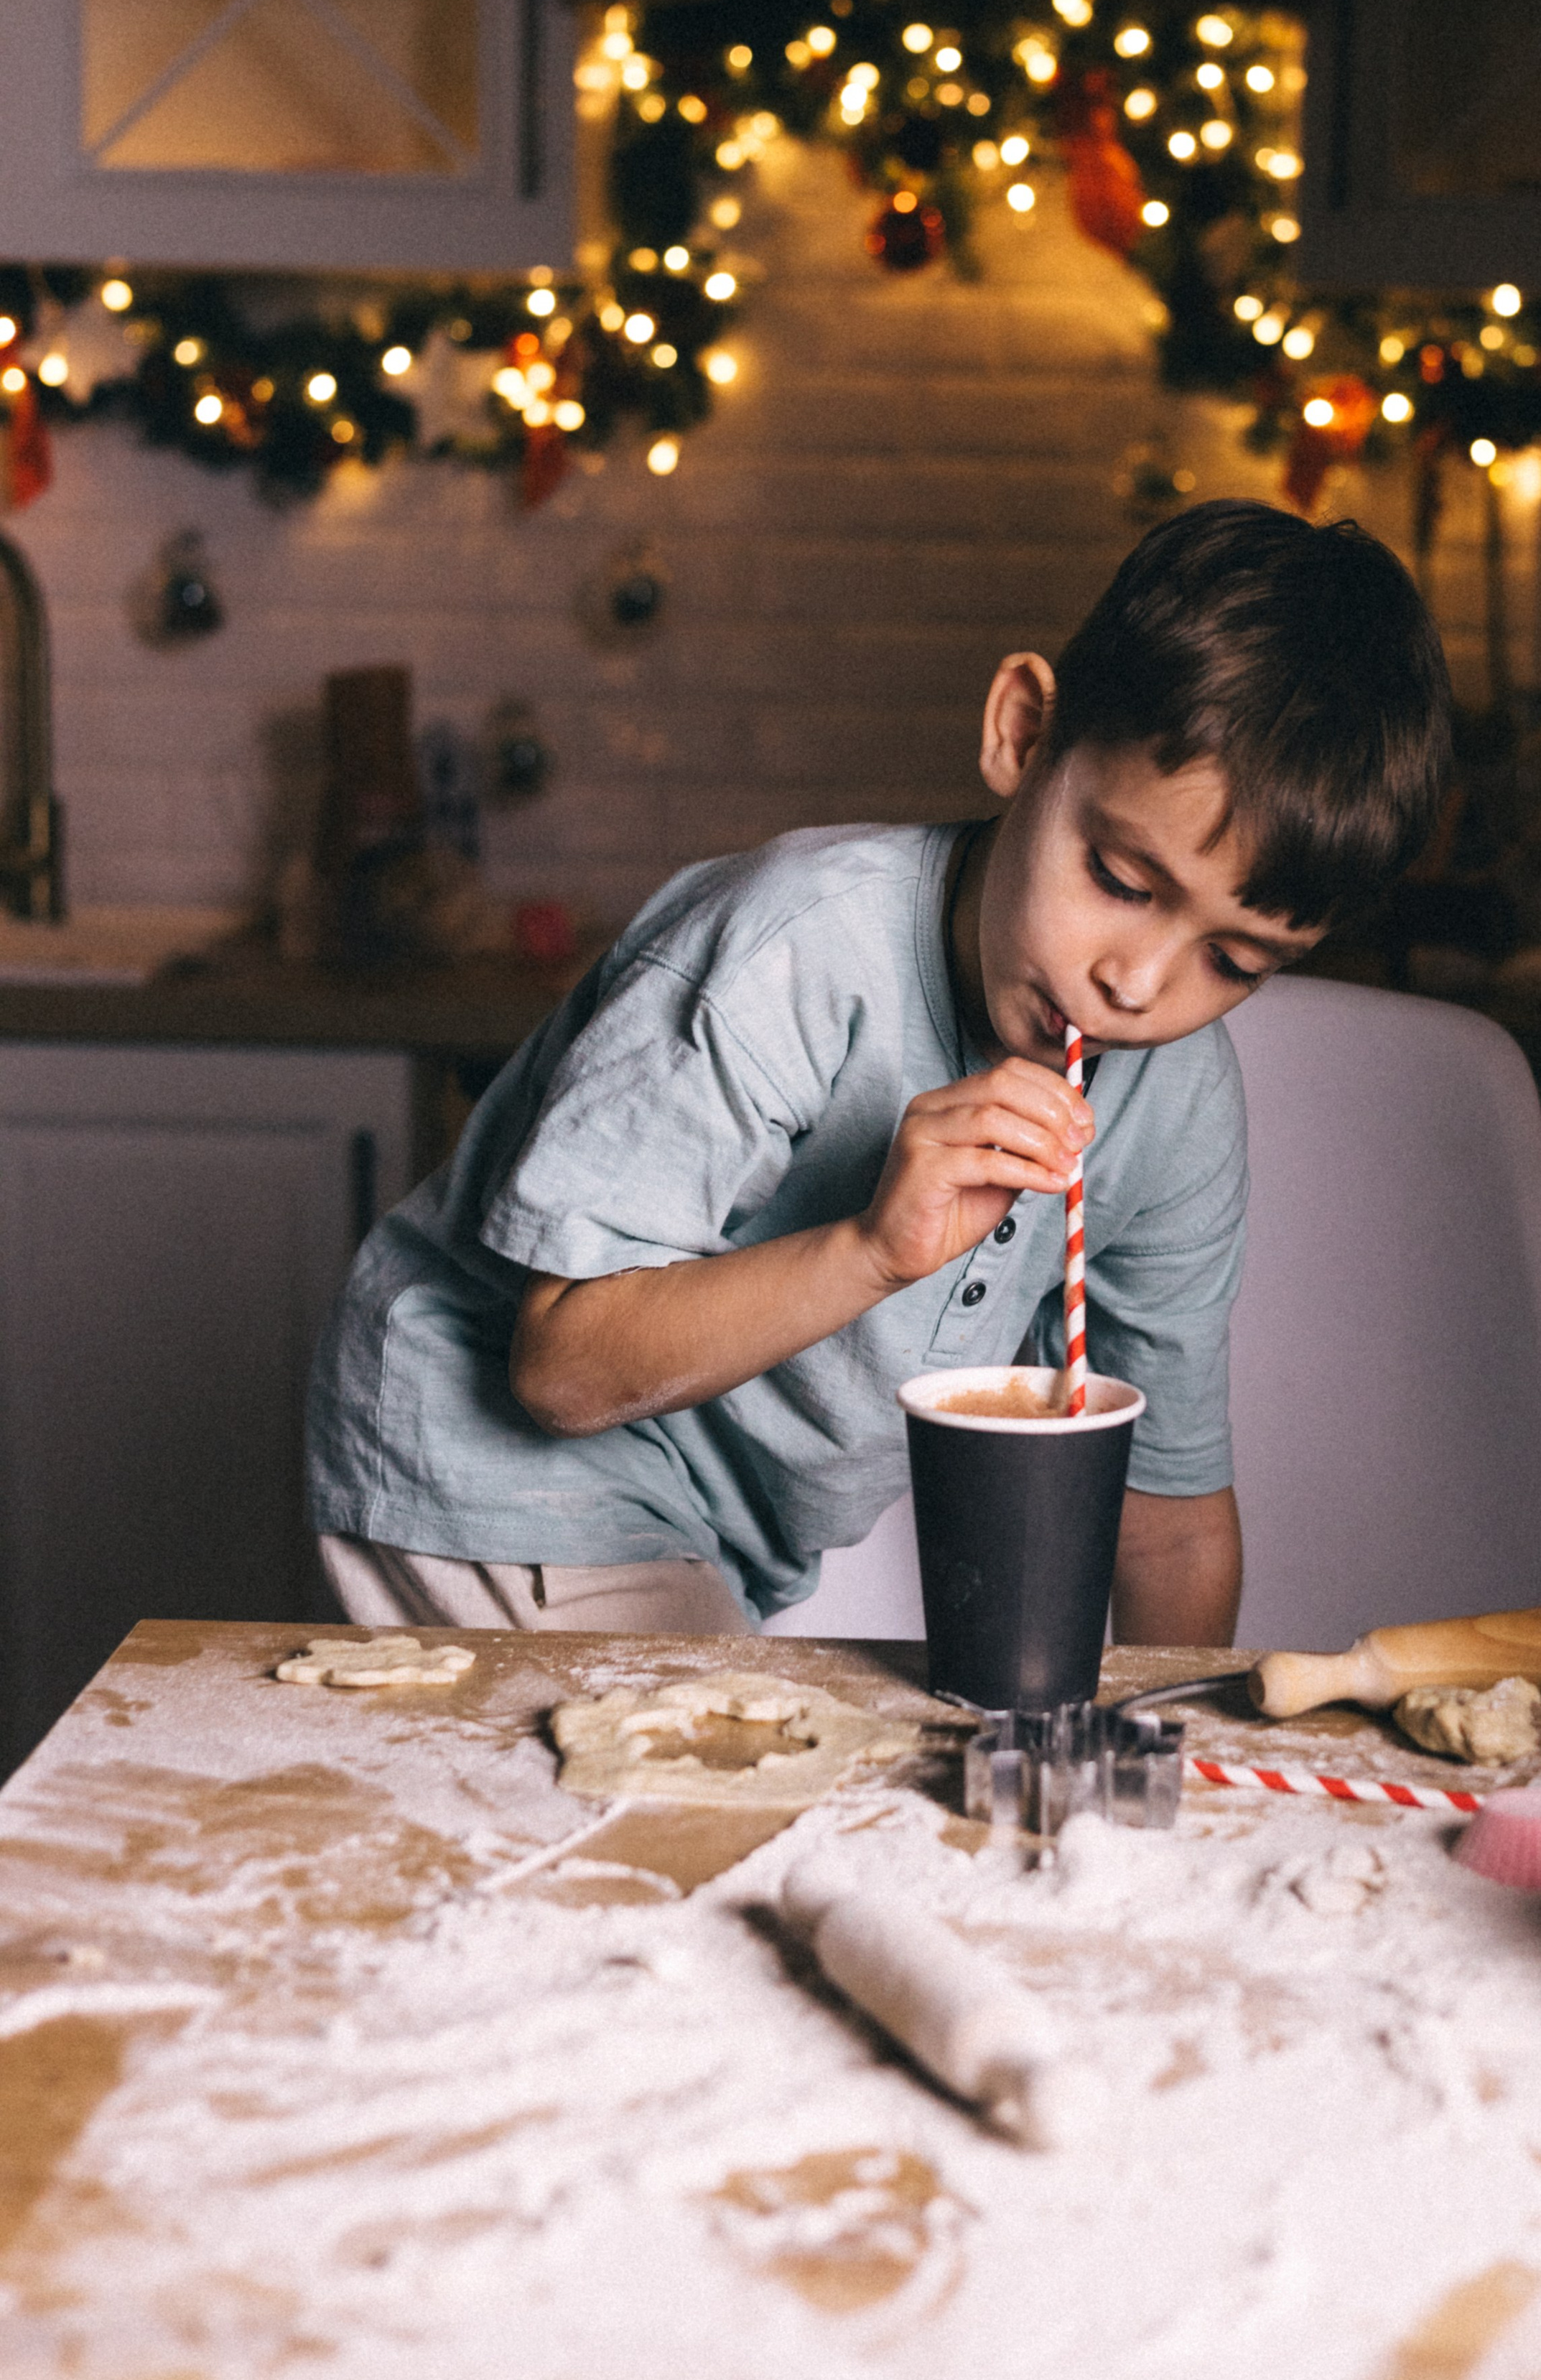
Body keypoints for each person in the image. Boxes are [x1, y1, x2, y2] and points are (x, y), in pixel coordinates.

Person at [308, 497, 1451, 1645]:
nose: (1140, 985)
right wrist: (872, 1249)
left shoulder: (1180, 1106)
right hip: (487, 1458)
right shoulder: (785, 951)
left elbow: (1166, 1519)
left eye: (1234, 959)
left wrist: (1151, 1756)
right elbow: (561, 1366)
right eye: (1119, 877)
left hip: (709, 1538)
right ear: (1022, 732)